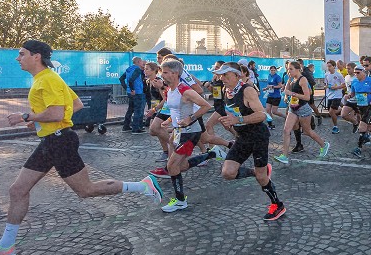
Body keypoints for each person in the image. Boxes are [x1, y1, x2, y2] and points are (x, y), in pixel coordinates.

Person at [0, 40, 163, 255]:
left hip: (59, 141)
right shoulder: (47, 78)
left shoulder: (48, 80)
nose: (17, 58)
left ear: (36, 56)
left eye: (21, 54)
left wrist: (27, 116)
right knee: (17, 190)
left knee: (86, 190)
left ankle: (143, 186)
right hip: (53, 140)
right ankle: (6, 246)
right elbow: (76, 104)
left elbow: (57, 113)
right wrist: (40, 121)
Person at [213, 63, 287, 220]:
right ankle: (257, 172)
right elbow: (229, 113)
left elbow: (262, 115)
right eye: (220, 75)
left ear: (237, 75)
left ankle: (277, 205)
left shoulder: (247, 90)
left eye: (225, 75)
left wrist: (237, 119)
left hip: (257, 136)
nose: (222, 78)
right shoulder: (226, 91)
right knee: (227, 173)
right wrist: (230, 125)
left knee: (262, 178)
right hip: (242, 137)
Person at [153, 57, 225, 212]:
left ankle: (180, 200)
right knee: (181, 166)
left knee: (172, 166)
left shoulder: (185, 90)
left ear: (175, 73)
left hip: (190, 132)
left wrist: (190, 118)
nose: (162, 75)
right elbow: (176, 109)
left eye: (165, 72)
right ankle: (211, 155)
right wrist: (170, 121)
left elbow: (206, 106)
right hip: (178, 132)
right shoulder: (170, 90)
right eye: (161, 72)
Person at [274, 61, 330, 164]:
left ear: (298, 69)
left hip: (303, 108)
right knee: (286, 130)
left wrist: (292, 93)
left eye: (290, 69)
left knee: (307, 131)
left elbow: (307, 97)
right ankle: (284, 156)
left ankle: (323, 144)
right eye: (287, 69)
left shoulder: (303, 80)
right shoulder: (292, 79)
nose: (288, 71)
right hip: (293, 108)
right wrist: (288, 84)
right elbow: (287, 90)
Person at [349, 63, 371, 157]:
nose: (356, 74)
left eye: (358, 73)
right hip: (360, 106)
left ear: (363, 72)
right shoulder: (354, 82)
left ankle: (358, 148)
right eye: (355, 73)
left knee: (362, 127)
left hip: (370, 106)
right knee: (369, 127)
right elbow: (353, 93)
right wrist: (349, 96)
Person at [120, 56, 147, 133]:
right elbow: (132, 80)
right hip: (137, 92)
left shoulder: (129, 69)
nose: (142, 63)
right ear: (138, 62)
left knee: (130, 109)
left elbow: (121, 78)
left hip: (130, 92)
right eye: (141, 62)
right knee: (137, 110)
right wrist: (132, 89)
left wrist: (126, 88)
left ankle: (126, 126)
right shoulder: (137, 69)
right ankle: (136, 128)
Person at [324, 59, 346, 133]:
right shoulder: (326, 74)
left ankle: (335, 127)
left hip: (337, 95)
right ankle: (342, 109)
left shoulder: (338, 75)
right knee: (330, 111)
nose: (329, 68)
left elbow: (344, 84)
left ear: (334, 66)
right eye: (328, 66)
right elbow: (326, 84)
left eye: (330, 66)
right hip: (330, 95)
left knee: (331, 111)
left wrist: (336, 87)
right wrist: (326, 86)